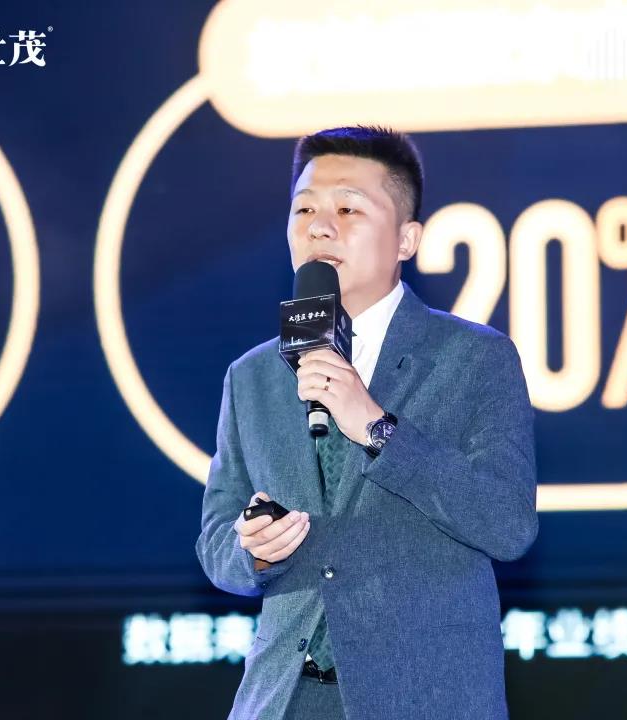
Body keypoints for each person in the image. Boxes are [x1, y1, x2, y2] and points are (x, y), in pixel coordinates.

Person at [195, 125, 538, 720]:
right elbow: (217, 541)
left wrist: (380, 430)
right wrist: (253, 550)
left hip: (422, 699)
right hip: (283, 700)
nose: (319, 227)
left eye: (348, 209)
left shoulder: (474, 358)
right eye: (304, 209)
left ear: (407, 239)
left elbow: (508, 524)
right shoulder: (252, 375)